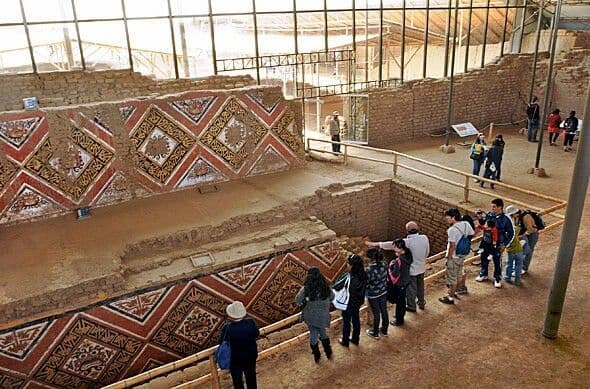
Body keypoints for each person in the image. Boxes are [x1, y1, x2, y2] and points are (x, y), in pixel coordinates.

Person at [364, 222, 430, 312]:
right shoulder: (424, 238)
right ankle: (421, 303)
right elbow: (427, 252)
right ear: (418, 228)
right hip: (422, 268)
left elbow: (390, 244)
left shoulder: (406, 242)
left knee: (411, 289)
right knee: (420, 286)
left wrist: (374, 244)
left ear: (407, 231)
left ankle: (411, 306)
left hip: (411, 271)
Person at [295, 267, 334, 363]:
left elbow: (297, 300)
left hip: (310, 316)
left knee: (313, 333)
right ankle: (328, 352)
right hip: (323, 315)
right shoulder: (325, 287)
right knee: (322, 331)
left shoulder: (305, 289)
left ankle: (317, 355)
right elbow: (332, 297)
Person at [475, 198, 515, 288]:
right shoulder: (489, 215)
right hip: (486, 241)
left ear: (500, 207)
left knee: (497, 261)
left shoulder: (506, 219)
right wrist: (480, 219)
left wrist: (505, 244)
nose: (492, 208)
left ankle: (497, 278)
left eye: (494, 207)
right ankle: (483, 273)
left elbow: (511, 233)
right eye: (492, 206)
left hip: (498, 243)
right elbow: (484, 224)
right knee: (484, 257)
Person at [220, 301, 260, 389]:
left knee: (237, 381)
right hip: (251, 356)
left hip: (235, 360)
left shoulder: (227, 328)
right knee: (251, 377)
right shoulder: (250, 322)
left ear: (230, 315)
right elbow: (256, 334)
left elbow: (222, 342)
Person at [439, 209, 474, 305]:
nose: (446, 219)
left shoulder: (452, 230)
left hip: (454, 256)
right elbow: (471, 234)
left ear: (453, 217)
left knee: (452, 278)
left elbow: (452, 246)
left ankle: (450, 297)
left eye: (447, 217)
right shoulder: (466, 224)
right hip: (462, 255)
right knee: (459, 275)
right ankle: (454, 292)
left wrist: (448, 258)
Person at [336, 254, 367, 346]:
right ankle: (355, 339)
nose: (347, 265)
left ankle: (345, 341)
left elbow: (337, 286)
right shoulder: (364, 274)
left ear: (352, 265)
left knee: (346, 321)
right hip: (358, 301)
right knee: (356, 319)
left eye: (348, 263)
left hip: (348, 302)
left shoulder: (348, 276)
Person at [364, 248, 389, 338]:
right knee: (384, 310)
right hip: (383, 291)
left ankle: (375, 333)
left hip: (373, 295)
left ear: (371, 258)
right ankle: (385, 331)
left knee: (376, 313)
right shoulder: (384, 264)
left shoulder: (368, 270)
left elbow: (366, 283)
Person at [388, 239, 413, 325]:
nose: (393, 248)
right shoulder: (407, 255)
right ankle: (400, 315)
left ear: (399, 247)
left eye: (394, 246)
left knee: (400, 301)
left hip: (400, 283)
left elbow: (395, 274)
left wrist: (391, 266)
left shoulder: (399, 260)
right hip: (406, 280)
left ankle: (399, 320)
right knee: (402, 300)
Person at [503, 205, 525, 286]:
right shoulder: (516, 228)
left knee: (509, 264)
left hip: (511, 250)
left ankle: (507, 277)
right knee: (518, 266)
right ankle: (517, 281)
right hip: (519, 249)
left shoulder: (507, 229)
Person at [519, 210, 539, 275]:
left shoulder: (526, 217)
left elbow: (531, 229)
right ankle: (519, 265)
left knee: (529, 250)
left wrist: (523, 235)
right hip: (525, 233)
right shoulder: (517, 217)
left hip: (532, 233)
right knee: (522, 249)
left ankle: (524, 267)